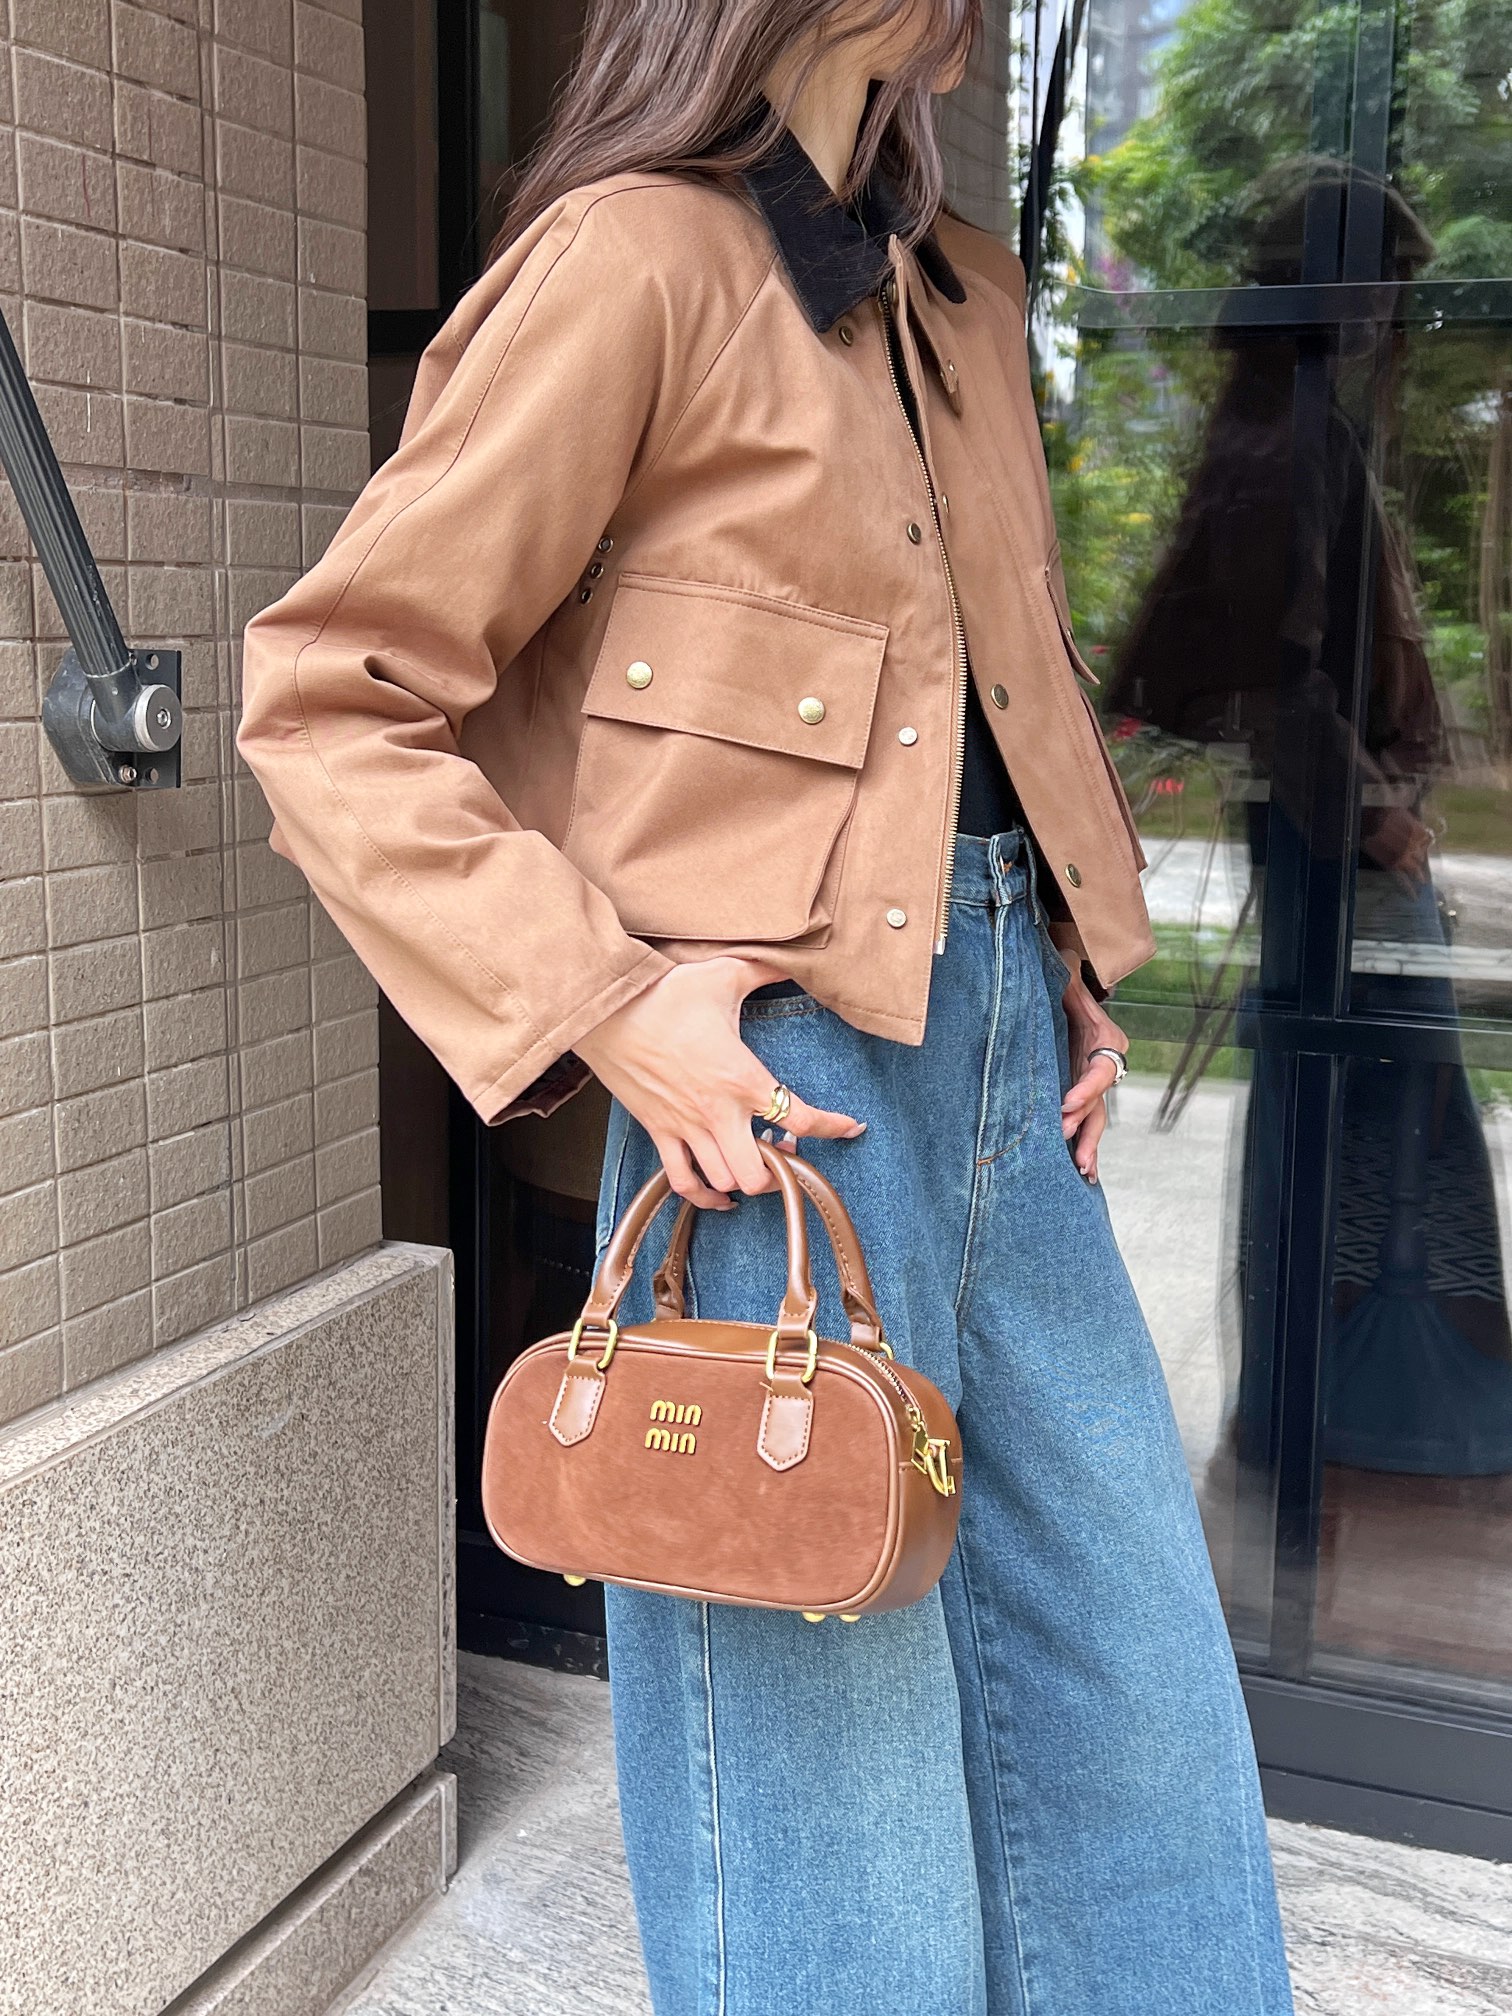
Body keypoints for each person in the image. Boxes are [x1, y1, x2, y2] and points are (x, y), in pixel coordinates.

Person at [236, 4, 1295, 2010]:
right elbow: (328, 701)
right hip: (773, 1096)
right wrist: (608, 1002)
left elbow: (990, 672)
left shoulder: (954, 293)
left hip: (1004, 1053)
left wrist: (1066, 951)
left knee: (1127, 1705)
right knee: (824, 1765)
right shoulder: (636, 259)